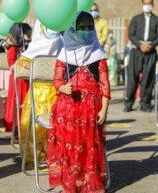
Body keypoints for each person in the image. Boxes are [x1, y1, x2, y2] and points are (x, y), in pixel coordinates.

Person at [47, 11, 110, 193]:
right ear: (73, 30)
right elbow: (56, 80)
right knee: (70, 148)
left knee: (90, 147)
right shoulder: (64, 54)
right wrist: (61, 88)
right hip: (67, 109)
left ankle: (90, 185)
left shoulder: (99, 56)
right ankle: (70, 185)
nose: (86, 31)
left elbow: (105, 86)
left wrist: (103, 110)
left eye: (90, 28)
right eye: (82, 28)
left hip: (91, 110)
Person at [19, 19, 63, 168]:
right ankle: (35, 158)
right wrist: (39, 69)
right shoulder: (36, 47)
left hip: (58, 93)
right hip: (40, 93)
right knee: (35, 128)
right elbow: (21, 64)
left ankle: (54, 157)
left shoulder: (62, 45)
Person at [124, 0, 158, 112]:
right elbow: (131, 34)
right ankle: (129, 103)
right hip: (137, 51)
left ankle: (145, 104)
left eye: (149, 4)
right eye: (145, 3)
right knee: (132, 78)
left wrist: (150, 46)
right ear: (142, 4)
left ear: (152, 4)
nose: (147, 6)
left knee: (148, 79)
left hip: (150, 52)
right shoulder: (135, 19)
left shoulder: (157, 20)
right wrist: (140, 45)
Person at [4, 23, 31, 133]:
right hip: (18, 80)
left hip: (25, 80)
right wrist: (23, 64)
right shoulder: (13, 49)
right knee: (18, 102)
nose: (30, 38)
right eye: (28, 36)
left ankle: (24, 127)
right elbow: (11, 67)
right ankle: (16, 128)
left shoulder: (26, 47)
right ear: (20, 34)